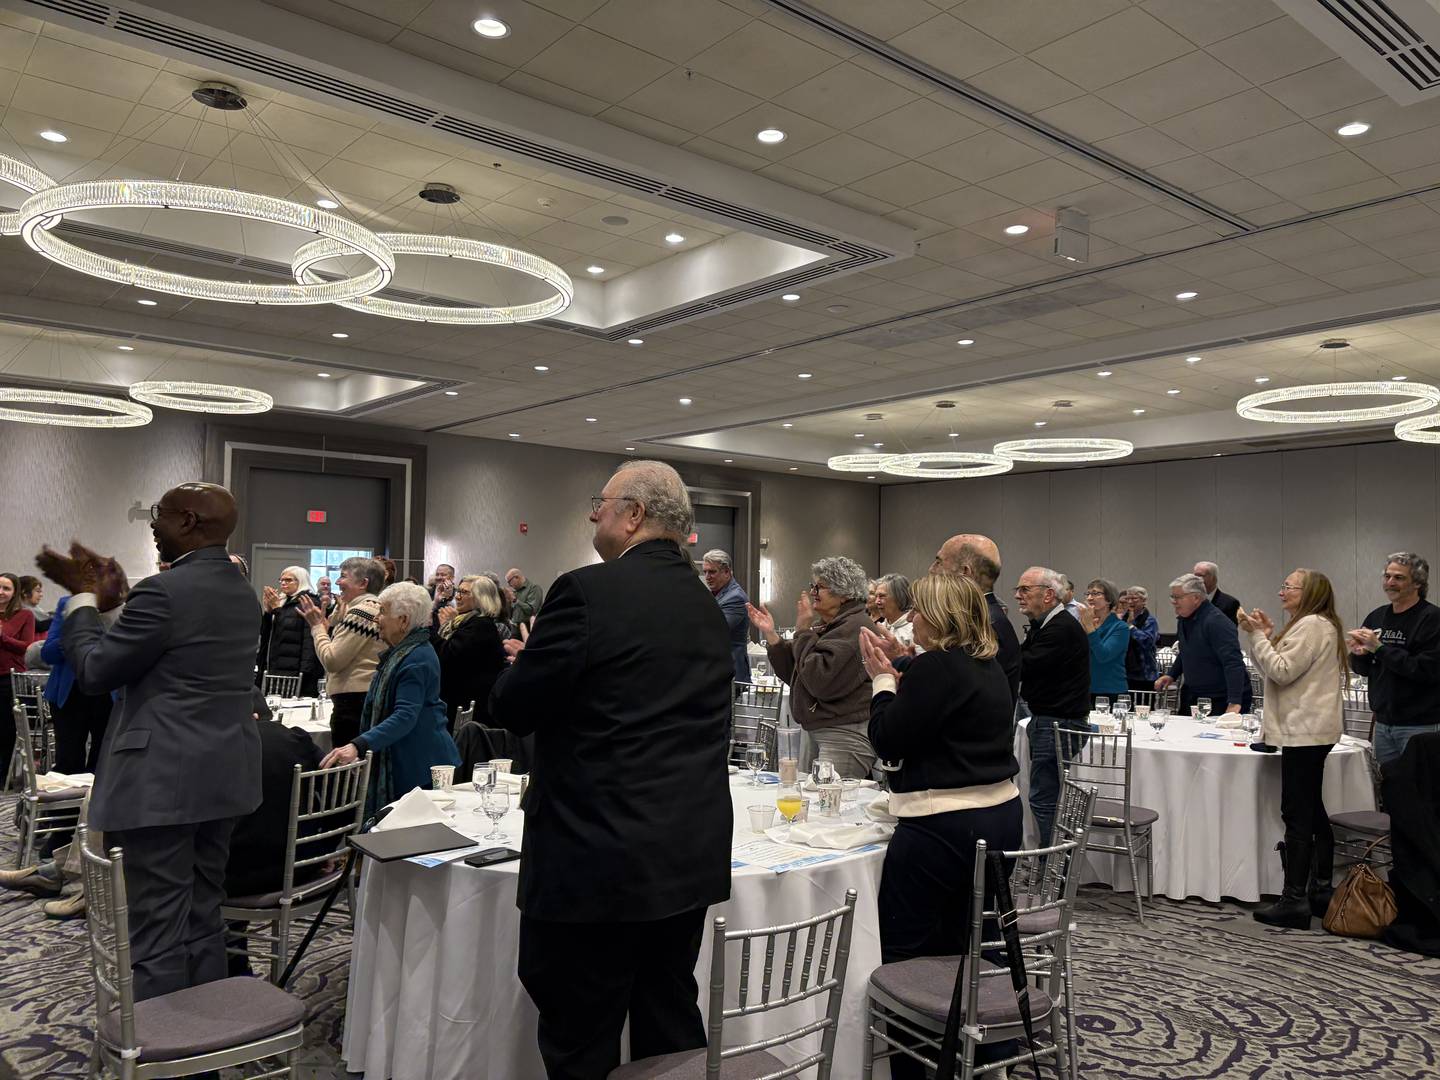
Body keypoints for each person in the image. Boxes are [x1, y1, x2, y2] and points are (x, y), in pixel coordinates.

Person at [489, 460, 732, 1080]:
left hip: (595, 857)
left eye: (602, 501)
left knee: (580, 1033)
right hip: (685, 850)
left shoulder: (586, 592)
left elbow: (513, 708)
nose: (593, 512)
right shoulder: (707, 605)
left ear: (634, 515)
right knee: (668, 1016)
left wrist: (531, 654)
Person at [35, 482, 262, 1000]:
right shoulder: (240, 590)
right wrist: (115, 603)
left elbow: (94, 670)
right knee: (204, 915)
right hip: (223, 773)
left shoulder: (165, 591)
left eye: (158, 515)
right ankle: (203, 1048)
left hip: (164, 780)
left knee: (157, 927)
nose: (153, 525)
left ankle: (162, 1052)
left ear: (188, 522)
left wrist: (83, 603)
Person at [860, 573, 1022, 1080]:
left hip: (943, 824)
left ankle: (914, 1066)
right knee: (960, 941)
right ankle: (966, 1053)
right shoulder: (987, 664)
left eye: (919, 613)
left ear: (939, 617)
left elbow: (888, 740)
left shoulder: (938, 668)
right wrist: (904, 661)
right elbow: (944, 696)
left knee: (905, 951)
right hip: (998, 817)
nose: (913, 620)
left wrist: (883, 682)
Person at [1239, 569, 1347, 928]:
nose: (1281, 590)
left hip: (1305, 730)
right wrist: (1264, 638)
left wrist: (1257, 636)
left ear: (1309, 592)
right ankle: (1318, 891)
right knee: (1312, 809)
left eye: (1288, 586)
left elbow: (1282, 672)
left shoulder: (1313, 625)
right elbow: (1270, 670)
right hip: (1308, 729)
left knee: (1297, 812)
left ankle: (1295, 899)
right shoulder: (1311, 624)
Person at [319, 582, 460, 817]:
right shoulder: (407, 652)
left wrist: (359, 744)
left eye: (383, 612)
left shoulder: (415, 658)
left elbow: (405, 716)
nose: (376, 619)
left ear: (403, 620)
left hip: (421, 764)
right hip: (416, 758)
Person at [751, 556, 878, 779]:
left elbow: (819, 680)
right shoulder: (833, 626)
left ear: (844, 593)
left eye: (820, 587)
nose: (812, 593)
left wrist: (802, 631)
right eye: (813, 586)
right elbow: (798, 675)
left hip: (844, 734)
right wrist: (772, 636)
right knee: (817, 806)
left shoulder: (855, 627)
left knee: (832, 808)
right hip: (824, 730)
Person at [1015, 566, 1090, 845]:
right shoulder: (1046, 626)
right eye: (1018, 590)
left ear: (1048, 595)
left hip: (1057, 721)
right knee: (1046, 796)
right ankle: (1053, 867)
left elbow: (1025, 666)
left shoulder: (1059, 629)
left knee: (1045, 798)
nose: (1018, 596)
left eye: (1025, 590)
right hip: (1052, 719)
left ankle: (1053, 871)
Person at [1348, 552, 1440, 769]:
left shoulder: (1432, 619)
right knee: (1388, 790)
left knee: (1421, 792)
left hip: (1421, 725)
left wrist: (1379, 648)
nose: (1390, 582)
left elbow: (1425, 670)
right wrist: (1358, 654)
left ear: (1417, 582)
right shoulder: (1377, 617)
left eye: (1398, 578)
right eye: (1387, 576)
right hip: (1383, 724)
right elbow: (1364, 669)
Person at [299, 556, 386, 749]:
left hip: (353, 702)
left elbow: (332, 660)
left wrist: (317, 628)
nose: (337, 582)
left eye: (343, 576)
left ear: (363, 583)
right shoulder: (374, 608)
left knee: (345, 770)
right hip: (364, 697)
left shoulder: (361, 612)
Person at [930, 533, 1021, 704]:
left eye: (939, 562)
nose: (932, 570)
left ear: (965, 572)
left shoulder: (981, 625)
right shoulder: (984, 618)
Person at [1157, 573, 1248, 714]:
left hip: (1220, 697)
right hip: (1194, 693)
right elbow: (1186, 650)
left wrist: (1234, 702)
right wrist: (1172, 675)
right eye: (1172, 597)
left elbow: (1233, 663)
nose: (1173, 601)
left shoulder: (1216, 622)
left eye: (1178, 597)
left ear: (1196, 598)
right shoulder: (1184, 619)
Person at [43, 594, 114, 774]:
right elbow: (48, 653)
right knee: (68, 762)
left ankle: (97, 802)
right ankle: (70, 803)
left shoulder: (120, 606)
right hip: (69, 693)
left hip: (108, 691)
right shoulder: (67, 604)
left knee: (103, 763)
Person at [432, 574, 507, 725]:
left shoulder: (481, 626)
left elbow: (448, 655)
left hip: (469, 707)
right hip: (458, 700)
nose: (458, 597)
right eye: (458, 591)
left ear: (481, 597)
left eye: (464, 592)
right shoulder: (467, 621)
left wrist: (431, 630)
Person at [257, 565, 322, 697]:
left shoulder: (308, 602)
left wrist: (305, 673)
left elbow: (306, 640)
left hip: (295, 671)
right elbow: (267, 636)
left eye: (288, 580)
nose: (283, 583)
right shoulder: (281, 601)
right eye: (281, 580)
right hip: (274, 666)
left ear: (301, 581)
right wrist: (268, 612)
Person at [0, 572, 38, 787]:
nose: (1, 592)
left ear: (14, 593)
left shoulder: (25, 616)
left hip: (9, 679)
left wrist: (3, 638)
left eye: (6, 588)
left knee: (5, 730)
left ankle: (4, 776)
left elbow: (27, 647)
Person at [701, 549, 751, 685]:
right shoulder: (716, 593)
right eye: (705, 572)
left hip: (731, 673)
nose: (707, 576)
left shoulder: (735, 597)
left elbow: (713, 631)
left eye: (712, 572)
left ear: (727, 572)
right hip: (718, 670)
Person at [1080, 578, 1128, 705]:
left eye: (1096, 593)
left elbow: (1103, 656)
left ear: (1109, 599)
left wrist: (1090, 628)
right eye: (1088, 594)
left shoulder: (1120, 627)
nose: (1090, 597)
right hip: (1085, 689)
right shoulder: (1085, 624)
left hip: (1111, 691)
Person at [1121, 586, 1160, 693]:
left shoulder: (1150, 620)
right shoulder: (1123, 618)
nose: (1130, 602)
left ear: (1144, 601)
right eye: (1128, 598)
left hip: (1145, 674)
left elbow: (1148, 642)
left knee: (1144, 707)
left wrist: (1131, 627)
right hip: (1125, 673)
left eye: (1134, 599)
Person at [873, 572, 914, 647]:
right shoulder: (880, 628)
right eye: (876, 596)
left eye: (882, 596)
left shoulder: (913, 630)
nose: (876, 602)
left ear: (899, 597)